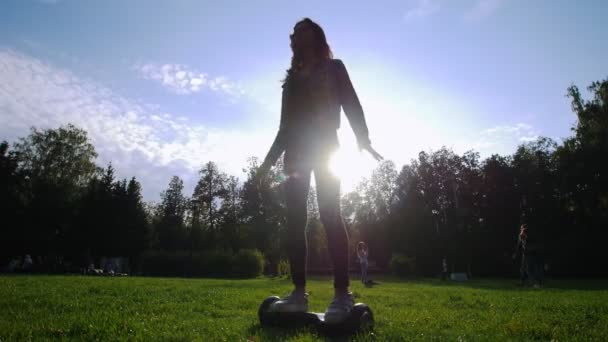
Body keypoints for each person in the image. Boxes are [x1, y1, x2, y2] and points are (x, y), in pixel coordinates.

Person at [256, 18, 383, 324]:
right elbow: (284, 128)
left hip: (327, 146)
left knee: (330, 214)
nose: (296, 36)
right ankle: (298, 293)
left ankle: (342, 293)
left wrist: (362, 138)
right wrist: (267, 163)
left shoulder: (335, 68)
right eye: (293, 33)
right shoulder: (292, 81)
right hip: (296, 154)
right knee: (294, 221)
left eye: (302, 31)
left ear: (316, 36)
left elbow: (352, 103)